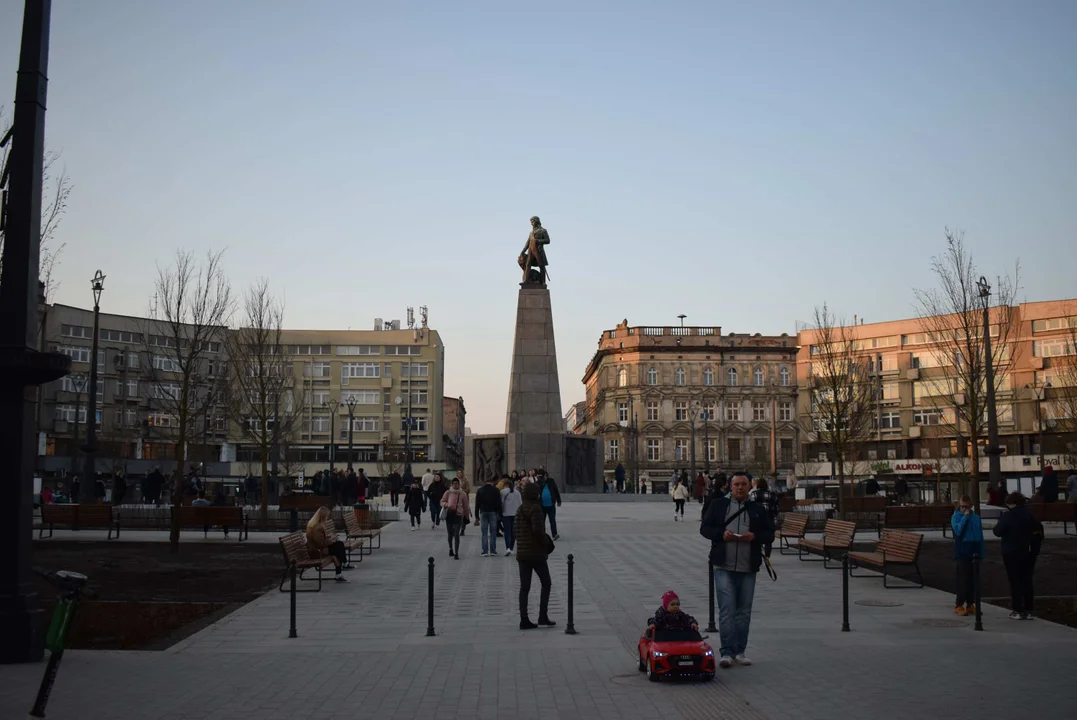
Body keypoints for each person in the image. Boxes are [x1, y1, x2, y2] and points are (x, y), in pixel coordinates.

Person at [700, 472, 774, 668]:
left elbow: (770, 533)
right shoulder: (719, 505)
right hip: (723, 565)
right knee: (727, 611)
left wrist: (754, 536)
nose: (740, 487)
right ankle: (726, 652)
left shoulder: (757, 509)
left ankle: (740, 651)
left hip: (747, 566)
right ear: (730, 487)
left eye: (743, 484)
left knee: (743, 612)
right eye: (736, 484)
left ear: (749, 486)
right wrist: (721, 534)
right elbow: (705, 528)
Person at [992, 492, 1043, 619]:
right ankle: (1029, 609)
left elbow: (997, 531)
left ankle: (1018, 610)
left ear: (1012, 503)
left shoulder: (1008, 516)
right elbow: (1039, 533)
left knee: (1015, 581)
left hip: (1011, 552)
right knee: (1027, 580)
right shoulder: (1030, 516)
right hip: (1029, 552)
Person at [515, 483, 554, 629]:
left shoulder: (520, 508)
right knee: (546, 583)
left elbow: (515, 531)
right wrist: (546, 543)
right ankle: (542, 616)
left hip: (523, 554)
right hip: (536, 554)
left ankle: (524, 619)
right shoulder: (535, 508)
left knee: (525, 587)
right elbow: (538, 531)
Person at [951, 495, 984, 616]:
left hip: (974, 549)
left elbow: (980, 535)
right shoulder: (956, 517)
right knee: (963, 579)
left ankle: (970, 603)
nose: (965, 509)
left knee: (973, 579)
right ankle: (959, 604)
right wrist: (964, 517)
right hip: (963, 550)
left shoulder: (976, 518)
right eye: (962, 506)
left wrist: (981, 551)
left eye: (967, 507)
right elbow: (958, 531)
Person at [305, 506, 351, 581]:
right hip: (317, 551)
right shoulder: (318, 527)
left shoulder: (313, 524)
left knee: (339, 545)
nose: (327, 517)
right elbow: (320, 543)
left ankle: (341, 570)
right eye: (326, 516)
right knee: (339, 547)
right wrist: (331, 540)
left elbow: (320, 539)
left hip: (316, 549)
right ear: (323, 516)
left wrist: (329, 537)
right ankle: (341, 569)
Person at [748, 477, 780, 556]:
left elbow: (750, 507)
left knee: (757, 537)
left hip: (757, 520)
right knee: (768, 539)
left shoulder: (754, 494)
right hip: (770, 519)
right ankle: (767, 556)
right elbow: (776, 509)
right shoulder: (772, 495)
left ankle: (757, 554)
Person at [440, 478, 471, 559]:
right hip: (449, 514)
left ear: (459, 484)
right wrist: (446, 504)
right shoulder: (448, 492)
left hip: (458, 515)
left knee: (456, 534)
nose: (455, 485)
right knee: (450, 533)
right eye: (454, 483)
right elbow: (442, 501)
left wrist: (467, 517)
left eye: (457, 483)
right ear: (452, 484)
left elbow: (466, 506)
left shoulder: (463, 494)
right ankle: (451, 549)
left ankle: (456, 553)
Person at [475, 474, 503, 557]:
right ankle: (493, 551)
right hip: (493, 512)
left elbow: (477, 504)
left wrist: (477, 517)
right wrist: (499, 513)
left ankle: (485, 551)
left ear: (485, 482)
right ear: (492, 482)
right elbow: (499, 503)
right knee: (493, 532)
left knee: (484, 532)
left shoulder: (480, 490)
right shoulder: (496, 490)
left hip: (483, 512)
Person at [536, 473, 562, 540]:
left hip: (551, 505)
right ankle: (542, 534)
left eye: (543, 477)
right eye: (540, 477)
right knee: (542, 521)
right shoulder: (538, 483)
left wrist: (559, 500)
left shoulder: (551, 481)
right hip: (542, 505)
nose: (542, 478)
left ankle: (554, 534)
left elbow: (556, 491)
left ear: (546, 476)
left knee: (552, 520)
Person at [501, 476, 522, 556]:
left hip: (506, 514)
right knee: (514, 532)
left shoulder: (503, 491)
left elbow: (501, 502)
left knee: (507, 532)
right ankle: (512, 548)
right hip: (515, 514)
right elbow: (520, 504)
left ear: (505, 484)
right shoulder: (517, 492)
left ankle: (508, 548)